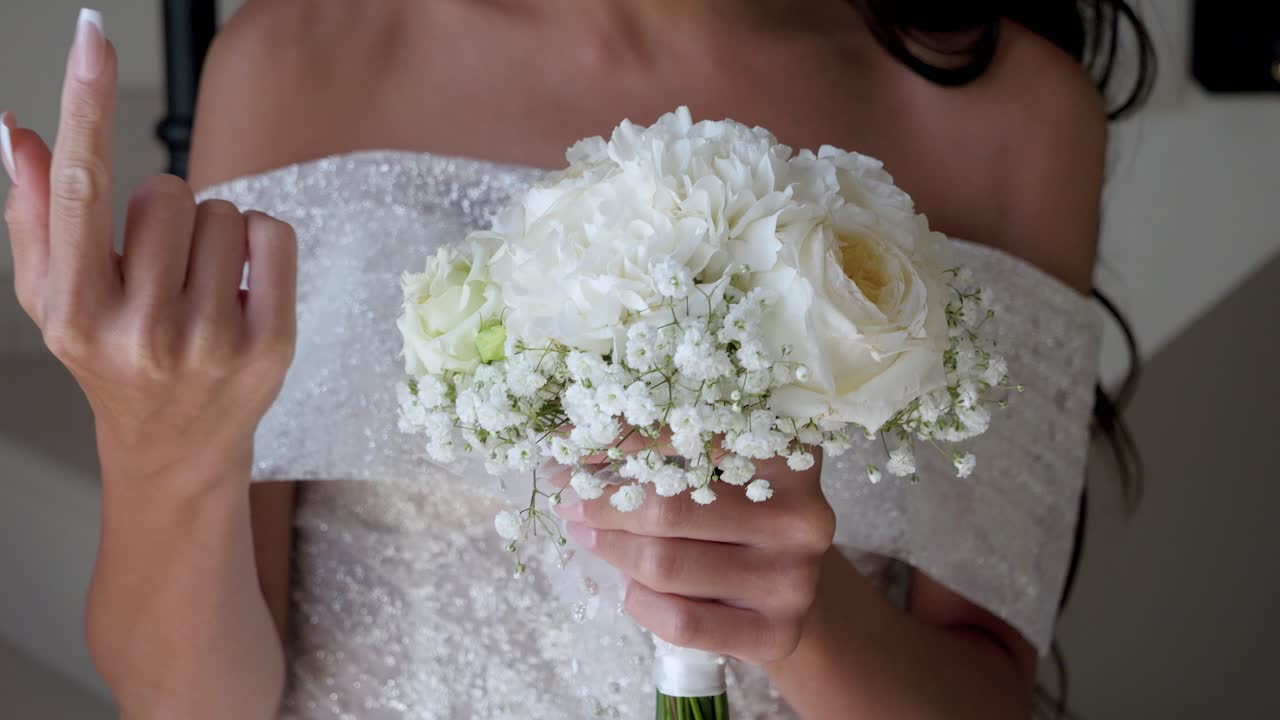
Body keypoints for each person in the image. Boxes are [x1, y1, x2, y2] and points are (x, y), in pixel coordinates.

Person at [0, 2, 1149, 718]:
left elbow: (981, 694)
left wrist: (802, 616)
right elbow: (182, 705)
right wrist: (160, 452)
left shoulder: (1007, 120)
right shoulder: (293, 59)